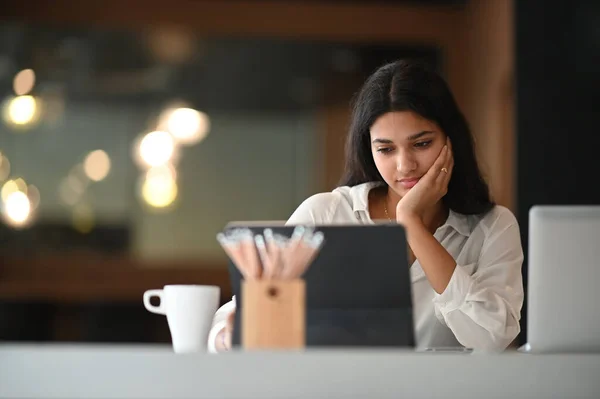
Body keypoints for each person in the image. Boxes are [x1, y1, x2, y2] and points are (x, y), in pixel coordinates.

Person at [208, 59, 524, 353]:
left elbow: (493, 338)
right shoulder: (327, 214)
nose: (405, 165)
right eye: (386, 149)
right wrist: (229, 333)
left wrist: (411, 223)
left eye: (422, 144)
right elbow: (245, 308)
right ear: (369, 151)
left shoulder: (492, 226)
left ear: (450, 140)